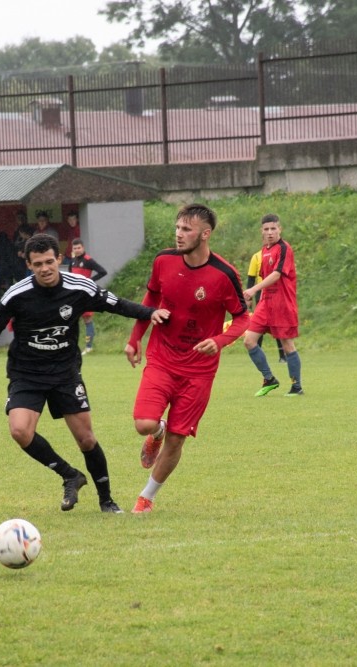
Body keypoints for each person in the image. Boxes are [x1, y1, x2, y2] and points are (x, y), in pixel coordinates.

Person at [0, 233, 169, 514]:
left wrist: (150, 313)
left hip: (65, 373)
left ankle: (106, 501)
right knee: (19, 431)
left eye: (49, 262)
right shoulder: (16, 295)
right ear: (29, 265)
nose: (44, 268)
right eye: (38, 264)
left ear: (59, 259)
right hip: (26, 373)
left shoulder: (79, 287)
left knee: (86, 438)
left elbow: (117, 304)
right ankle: (70, 475)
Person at [125, 203, 250, 514]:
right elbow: (151, 298)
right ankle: (156, 431)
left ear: (205, 234)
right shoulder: (163, 261)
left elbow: (243, 318)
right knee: (143, 423)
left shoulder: (224, 274)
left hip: (199, 371)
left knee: (178, 439)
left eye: (186, 229)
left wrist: (219, 341)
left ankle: (146, 498)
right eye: (177, 228)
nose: (178, 234)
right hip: (162, 358)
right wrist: (135, 338)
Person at [243, 214, 302, 396]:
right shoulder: (264, 251)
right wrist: (255, 298)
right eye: (266, 229)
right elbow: (263, 276)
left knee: (287, 345)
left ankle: (296, 387)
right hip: (265, 304)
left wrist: (253, 290)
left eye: (273, 228)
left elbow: (277, 274)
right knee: (249, 340)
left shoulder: (284, 248)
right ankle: (269, 378)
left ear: (279, 229)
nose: (270, 232)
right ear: (262, 231)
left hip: (282, 303)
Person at [65, 238, 107, 355]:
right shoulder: (73, 261)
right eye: (75, 248)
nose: (77, 250)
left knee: (87, 319)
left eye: (79, 248)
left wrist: (89, 281)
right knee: (71, 319)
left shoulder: (88, 260)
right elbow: (70, 275)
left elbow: (103, 272)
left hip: (85, 295)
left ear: (83, 248)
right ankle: (71, 346)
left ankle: (89, 347)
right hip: (74, 295)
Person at [245, 248, 285, 363]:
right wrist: (249, 298)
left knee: (277, 324)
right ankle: (257, 355)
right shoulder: (256, 256)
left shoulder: (278, 255)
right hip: (261, 293)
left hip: (276, 293)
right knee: (258, 325)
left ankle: (283, 356)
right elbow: (251, 278)